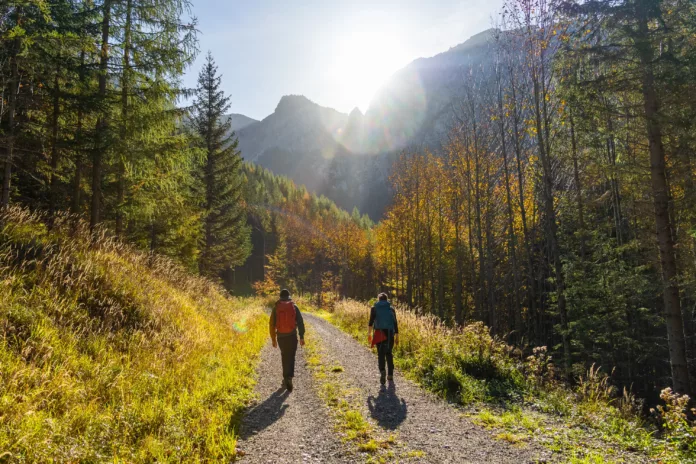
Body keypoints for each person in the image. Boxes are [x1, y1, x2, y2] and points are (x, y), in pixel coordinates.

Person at [270, 289, 305, 392]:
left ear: (280, 297)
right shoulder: (294, 307)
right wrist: (301, 336)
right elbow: (300, 322)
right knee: (292, 356)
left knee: (284, 355)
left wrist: (273, 339)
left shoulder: (276, 307)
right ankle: (289, 377)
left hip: (281, 336)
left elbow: (271, 324)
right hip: (292, 336)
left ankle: (286, 377)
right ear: (289, 296)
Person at [368, 293, 399, 385]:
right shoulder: (391, 309)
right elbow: (395, 323)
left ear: (378, 300)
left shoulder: (374, 308)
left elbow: (370, 322)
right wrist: (397, 336)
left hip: (379, 333)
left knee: (380, 353)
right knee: (389, 353)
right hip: (389, 333)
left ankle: (382, 371)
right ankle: (390, 375)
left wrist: (369, 334)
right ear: (386, 300)